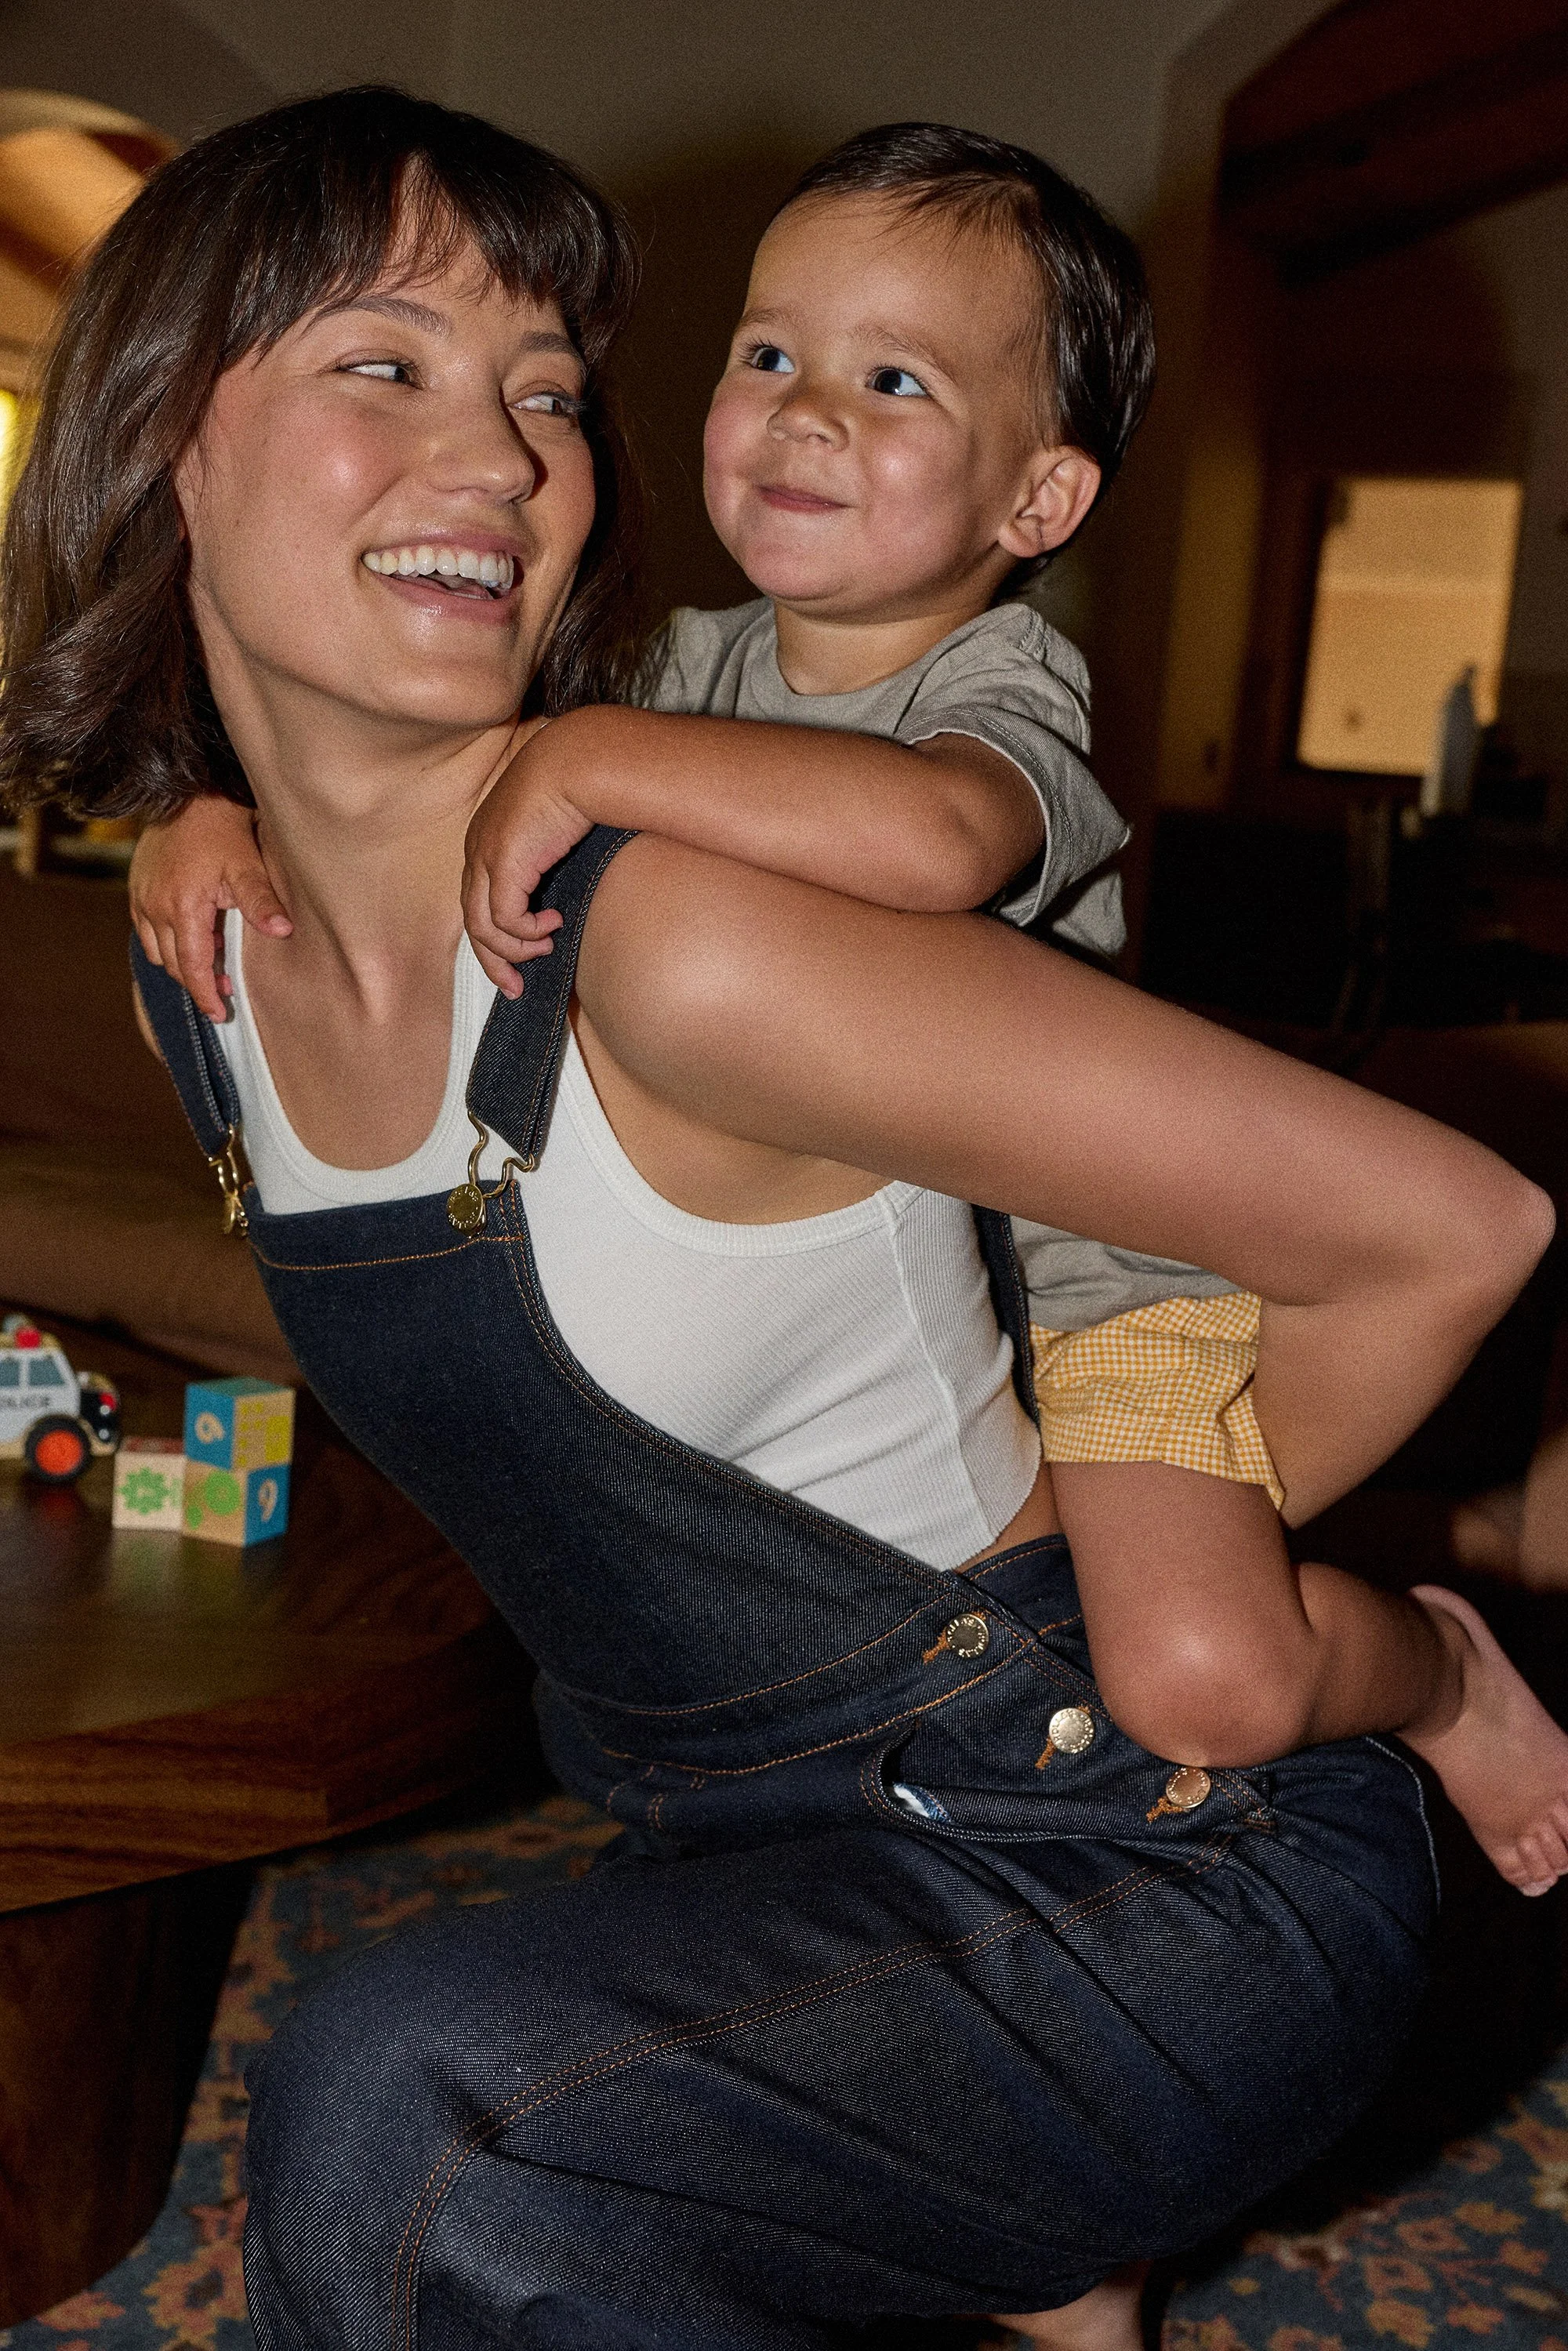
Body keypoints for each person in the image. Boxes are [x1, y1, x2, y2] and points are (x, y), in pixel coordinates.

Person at [5, 86, 1552, 2351]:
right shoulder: (207, 977)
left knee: (411, 2105)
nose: (517, 454)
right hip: (775, 1871)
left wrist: (1112, 1559)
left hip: (1141, 1858)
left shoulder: (685, 936)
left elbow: (1457, 1218)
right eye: (390, 364)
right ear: (163, 441)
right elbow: (409, 1289)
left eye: (547, 390)